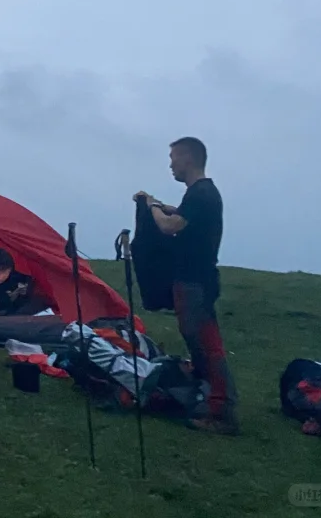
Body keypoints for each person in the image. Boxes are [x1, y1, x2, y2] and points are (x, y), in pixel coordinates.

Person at [135, 135, 238, 435]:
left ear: (188, 158)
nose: (171, 165)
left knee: (207, 345)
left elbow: (170, 226)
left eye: (174, 158)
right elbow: (181, 216)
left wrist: (153, 207)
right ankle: (211, 399)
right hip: (193, 282)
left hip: (196, 284)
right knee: (199, 343)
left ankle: (223, 411)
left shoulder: (201, 194)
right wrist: (159, 205)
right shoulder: (199, 195)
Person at [0, 247, 47, 315]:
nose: (3, 276)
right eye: (1, 270)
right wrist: (9, 298)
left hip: (7, 304)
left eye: (6, 272)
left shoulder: (12, 277)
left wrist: (18, 293)